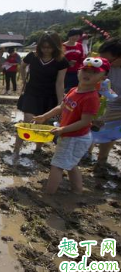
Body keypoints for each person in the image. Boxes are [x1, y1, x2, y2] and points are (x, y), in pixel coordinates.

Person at [32, 57, 109, 194]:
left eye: (94, 72)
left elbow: (85, 122)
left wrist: (63, 129)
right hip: (72, 135)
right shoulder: (74, 90)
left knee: (57, 165)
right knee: (71, 164)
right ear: (79, 71)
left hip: (75, 137)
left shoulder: (91, 97)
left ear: (102, 78)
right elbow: (61, 107)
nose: (88, 74)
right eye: (85, 70)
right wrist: (44, 117)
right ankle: (77, 191)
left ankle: (49, 194)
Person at [13, 32, 69, 158]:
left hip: (49, 96)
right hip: (32, 93)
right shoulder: (32, 56)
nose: (46, 50)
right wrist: (24, 81)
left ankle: (38, 148)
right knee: (27, 121)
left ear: (56, 47)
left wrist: (61, 103)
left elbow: (60, 83)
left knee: (44, 123)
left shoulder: (61, 61)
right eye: (43, 47)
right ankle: (16, 149)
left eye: (49, 47)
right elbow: (22, 66)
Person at [94, 38, 121, 166]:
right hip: (110, 103)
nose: (106, 64)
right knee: (102, 129)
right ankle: (96, 159)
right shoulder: (107, 68)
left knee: (113, 131)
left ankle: (101, 160)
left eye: (109, 61)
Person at [63, 28, 85, 93]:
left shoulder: (79, 45)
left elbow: (81, 58)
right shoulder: (62, 46)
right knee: (66, 89)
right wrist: (68, 62)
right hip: (65, 72)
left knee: (74, 89)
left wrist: (81, 68)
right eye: (73, 35)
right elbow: (58, 60)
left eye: (78, 36)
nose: (75, 37)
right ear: (69, 35)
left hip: (77, 72)